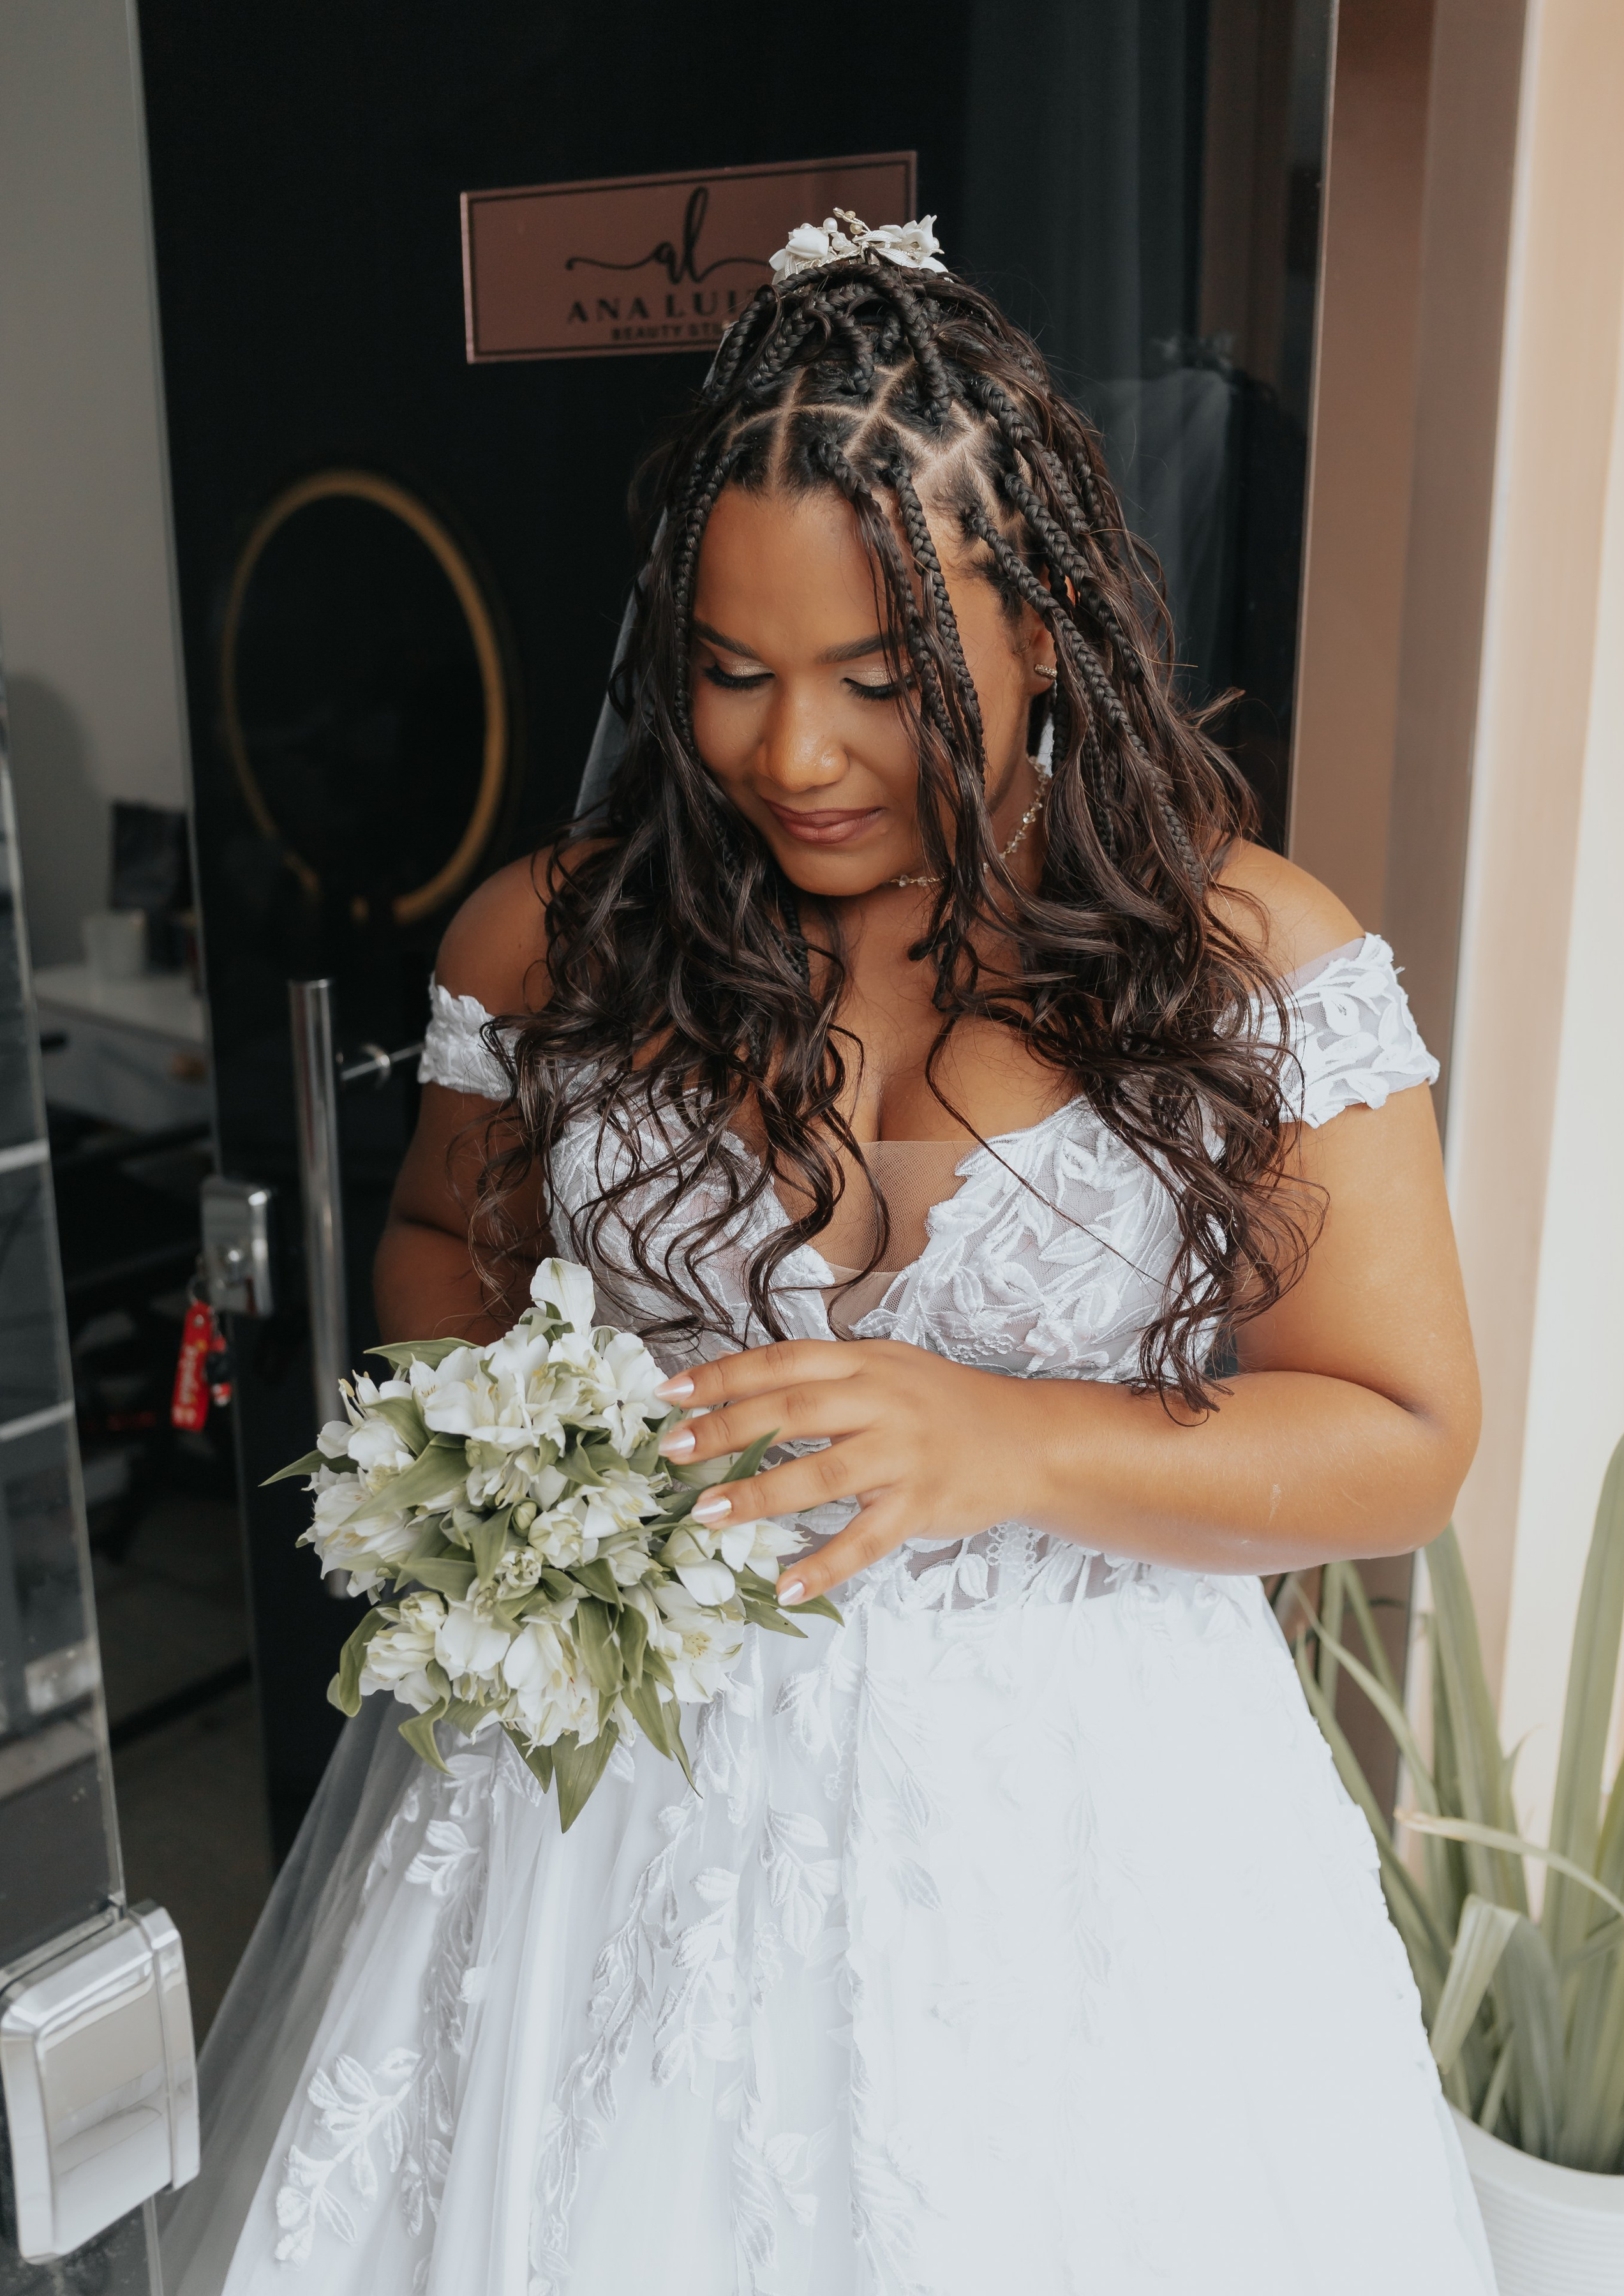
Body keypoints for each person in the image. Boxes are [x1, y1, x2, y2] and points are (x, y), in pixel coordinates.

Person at [163, 215, 1496, 2293]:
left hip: (1085, 1869)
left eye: (887, 680)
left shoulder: (1249, 969)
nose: (795, 756)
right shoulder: (556, 943)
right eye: (734, 672)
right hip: (614, 1840)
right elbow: (440, 1238)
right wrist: (537, 1464)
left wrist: (1003, 1441)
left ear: (1046, 629)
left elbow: (1402, 1435)